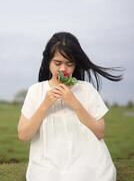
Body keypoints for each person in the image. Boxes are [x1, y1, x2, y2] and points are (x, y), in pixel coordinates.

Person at [17, 32, 123, 181]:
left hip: (86, 159)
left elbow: (100, 132)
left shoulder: (86, 89)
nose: (63, 69)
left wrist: (75, 103)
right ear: (48, 62)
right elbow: (23, 135)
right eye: (57, 63)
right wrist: (45, 105)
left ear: (75, 64)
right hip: (46, 162)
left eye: (69, 63)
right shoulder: (36, 91)